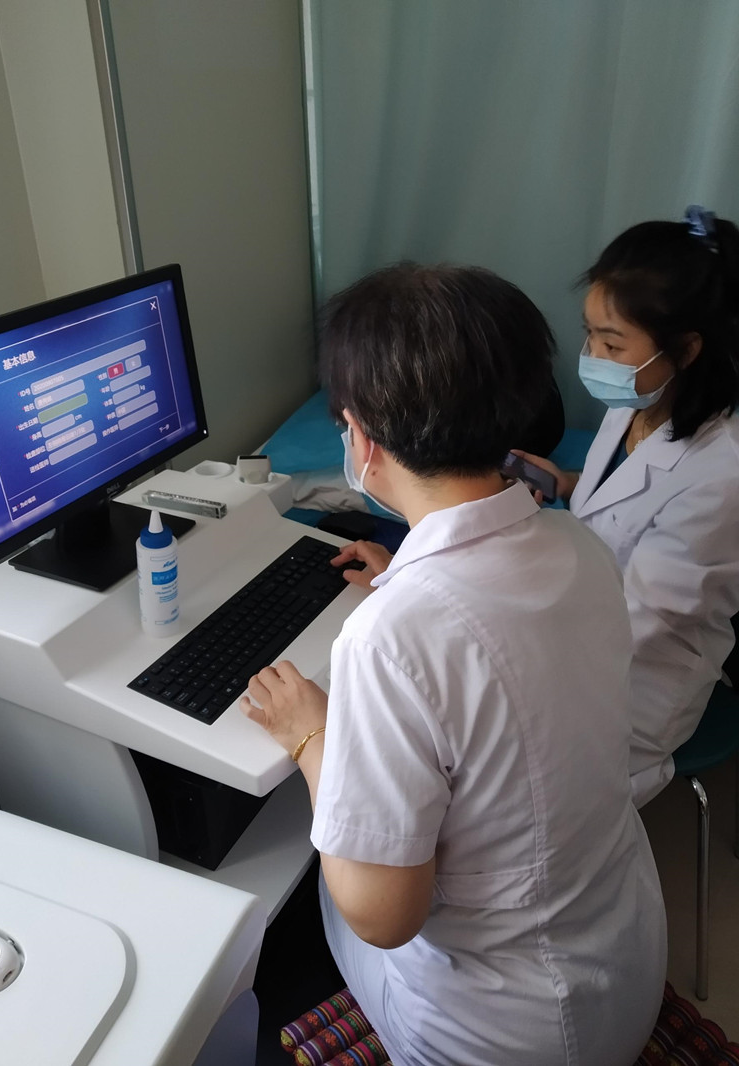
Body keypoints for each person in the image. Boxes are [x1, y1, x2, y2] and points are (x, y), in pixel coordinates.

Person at [240, 263, 666, 1066]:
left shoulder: (387, 639)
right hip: (623, 967)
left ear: (361, 439)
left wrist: (309, 736)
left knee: (314, 892)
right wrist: (401, 577)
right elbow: (488, 637)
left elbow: (383, 918)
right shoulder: (578, 545)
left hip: (503, 1037)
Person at [518, 207, 739, 808]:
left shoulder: (719, 477)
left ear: (685, 349)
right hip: (582, 615)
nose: (592, 354)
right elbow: (621, 497)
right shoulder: (637, 403)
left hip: (638, 678)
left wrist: (511, 619)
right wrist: (567, 483)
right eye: (590, 333)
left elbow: (641, 623)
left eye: (612, 343)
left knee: (518, 781)